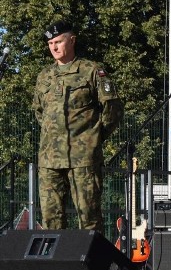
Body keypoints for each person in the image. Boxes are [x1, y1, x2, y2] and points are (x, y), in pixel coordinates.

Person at [33, 20, 124, 234]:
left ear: (72, 40)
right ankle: (55, 266)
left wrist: (94, 137)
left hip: (83, 157)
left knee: (89, 218)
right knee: (50, 219)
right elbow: (39, 111)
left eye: (58, 42)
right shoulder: (44, 76)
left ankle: (93, 266)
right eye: (50, 43)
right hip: (49, 159)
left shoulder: (91, 70)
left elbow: (112, 107)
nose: (54, 47)